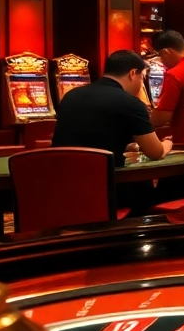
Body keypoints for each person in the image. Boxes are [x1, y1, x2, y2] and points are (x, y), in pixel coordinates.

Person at [53, 50, 172, 216]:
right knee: (151, 191)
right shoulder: (131, 103)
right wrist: (167, 144)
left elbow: (91, 136)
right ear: (132, 73)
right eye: (142, 77)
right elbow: (155, 152)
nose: (142, 83)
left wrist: (128, 144)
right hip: (107, 189)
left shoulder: (70, 96)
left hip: (63, 188)